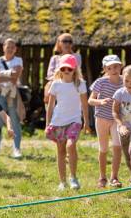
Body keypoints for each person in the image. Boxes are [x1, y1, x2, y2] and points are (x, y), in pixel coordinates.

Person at [45, 54, 89, 191]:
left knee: (71, 146)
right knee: (61, 151)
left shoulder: (80, 84)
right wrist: (47, 124)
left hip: (74, 121)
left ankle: (73, 177)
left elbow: (84, 104)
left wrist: (86, 122)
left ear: (74, 69)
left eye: (69, 69)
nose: (66, 71)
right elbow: (51, 106)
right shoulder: (56, 84)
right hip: (58, 121)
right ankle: (62, 182)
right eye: (63, 69)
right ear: (59, 69)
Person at [88, 54, 123, 188]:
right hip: (102, 118)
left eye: (116, 66)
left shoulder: (124, 81)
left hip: (117, 119)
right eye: (110, 67)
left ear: (121, 66)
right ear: (105, 69)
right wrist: (100, 101)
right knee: (103, 148)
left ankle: (114, 177)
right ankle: (102, 177)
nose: (114, 69)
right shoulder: (100, 82)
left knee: (117, 147)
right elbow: (90, 100)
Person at [0, 38, 23, 158]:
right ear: (3, 47)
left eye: (12, 47)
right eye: (7, 46)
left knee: (14, 121)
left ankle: (17, 149)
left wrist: (2, 75)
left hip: (12, 94)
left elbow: (16, 76)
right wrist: (9, 74)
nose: (9, 49)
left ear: (15, 49)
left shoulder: (18, 60)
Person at [44, 33, 82, 104]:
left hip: (72, 82)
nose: (67, 43)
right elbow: (49, 75)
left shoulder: (77, 56)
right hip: (56, 82)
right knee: (49, 85)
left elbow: (77, 71)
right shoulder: (54, 58)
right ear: (59, 43)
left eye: (70, 41)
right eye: (64, 41)